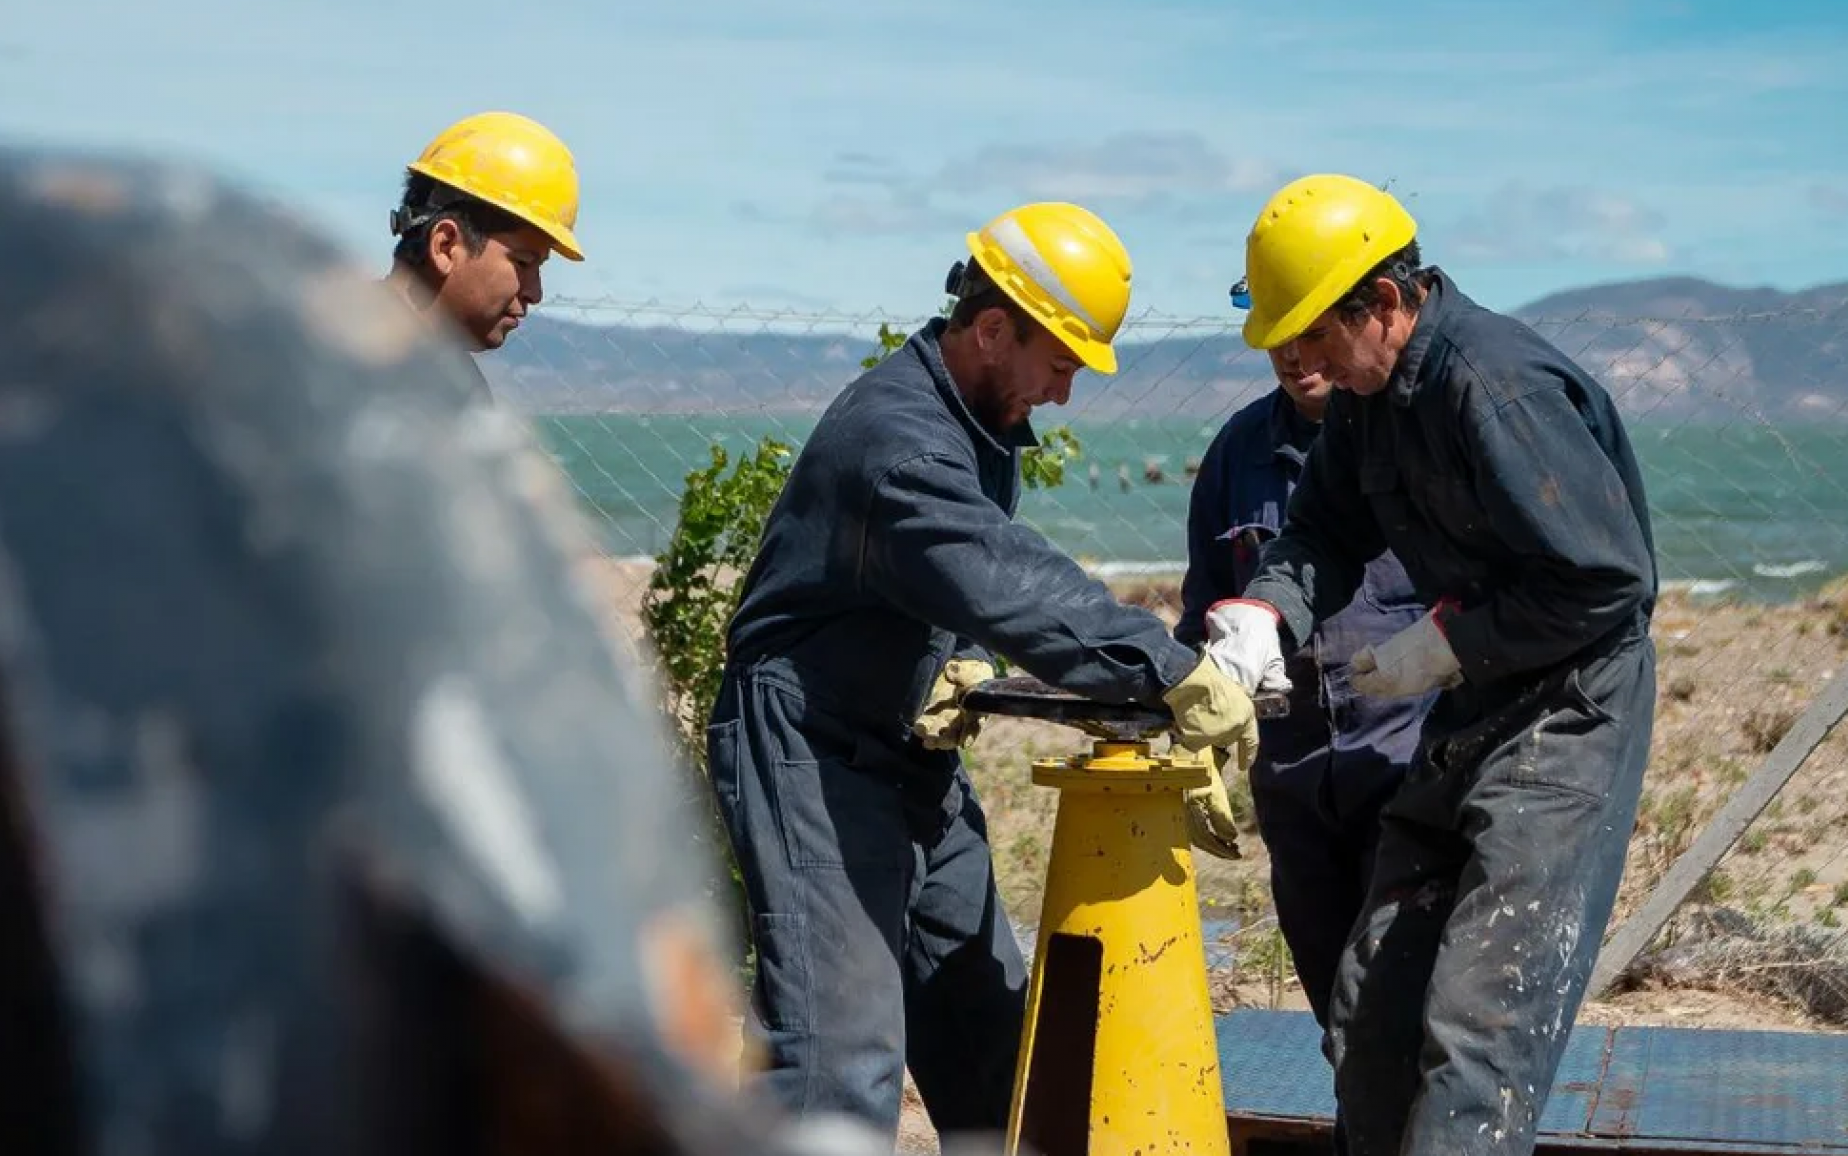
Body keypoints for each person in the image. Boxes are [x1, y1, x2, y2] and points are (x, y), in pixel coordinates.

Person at [0, 136, 916, 1156]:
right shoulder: (331, 378)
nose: (534, 294)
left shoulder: (401, 375)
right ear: (448, 241)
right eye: (525, 261)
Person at [706, 202, 1257, 1143]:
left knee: (992, 1037)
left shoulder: (972, 418)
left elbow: (949, 588)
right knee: (839, 1056)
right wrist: (1169, 672)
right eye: (1060, 365)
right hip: (809, 746)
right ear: (994, 329)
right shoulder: (901, 443)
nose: (1064, 395)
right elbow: (1004, 577)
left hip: (905, 745)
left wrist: (960, 660)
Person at [1201, 174, 1658, 1155]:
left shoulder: (1495, 388)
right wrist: (1262, 613)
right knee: (1374, 1007)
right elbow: (1322, 529)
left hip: (1570, 708)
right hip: (1476, 707)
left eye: (1317, 336)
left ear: (1384, 302)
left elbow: (1608, 582)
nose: (1304, 363)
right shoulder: (1369, 400)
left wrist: (1452, 642)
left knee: (1479, 1023)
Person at [1174, 319, 1435, 1033]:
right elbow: (1205, 606)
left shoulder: (1413, 439)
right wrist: (1191, 738)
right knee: (1331, 998)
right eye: (1275, 338)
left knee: (1400, 993)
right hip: (1291, 772)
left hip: (1405, 764)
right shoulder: (1238, 450)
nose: (1292, 356)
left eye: (1308, 334)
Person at [386, 110, 586, 399]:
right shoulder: (356, 366)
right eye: (523, 263)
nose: (535, 293)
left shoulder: (448, 378)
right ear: (445, 246)